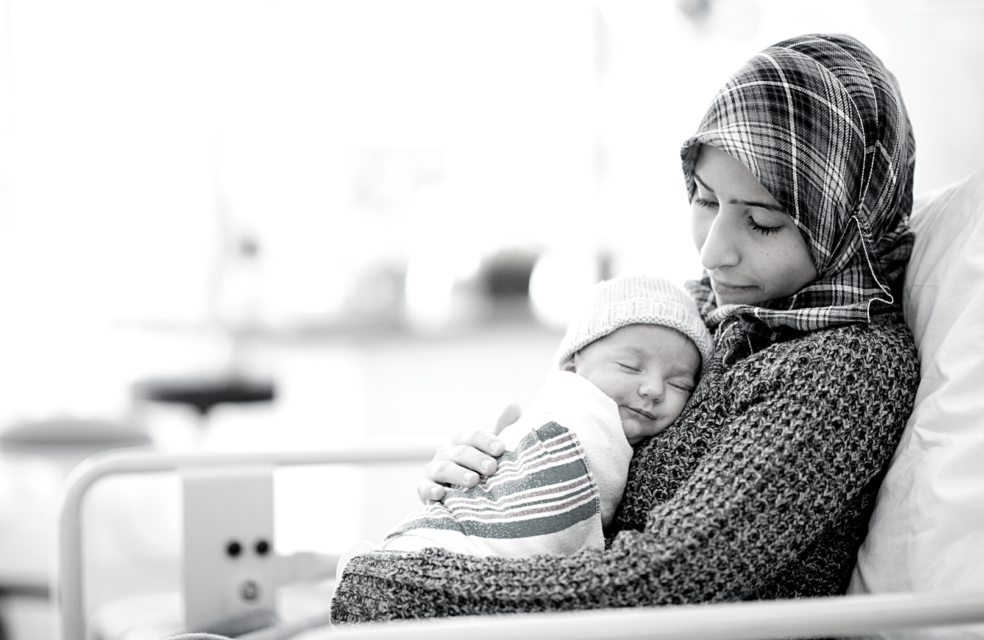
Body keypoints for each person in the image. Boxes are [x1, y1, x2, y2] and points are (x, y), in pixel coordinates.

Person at [331, 33, 921, 622]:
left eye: (762, 222)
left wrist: (397, 585)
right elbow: (572, 418)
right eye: (705, 198)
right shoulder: (709, 311)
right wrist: (486, 477)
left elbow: (665, 580)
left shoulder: (845, 371)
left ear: (849, 222)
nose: (714, 253)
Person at [355, 275, 713, 562]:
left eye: (678, 382)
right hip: (433, 546)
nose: (653, 389)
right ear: (573, 366)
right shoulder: (568, 419)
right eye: (629, 366)